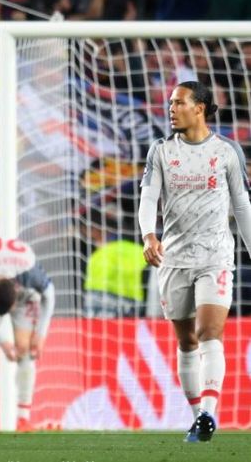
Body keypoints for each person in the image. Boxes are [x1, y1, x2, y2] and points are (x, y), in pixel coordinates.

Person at [138, 81, 251, 443]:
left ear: (199, 107)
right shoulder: (160, 151)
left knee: (209, 333)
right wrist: (148, 234)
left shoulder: (227, 152)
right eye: (170, 103)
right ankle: (196, 420)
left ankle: (208, 412)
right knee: (186, 341)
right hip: (173, 258)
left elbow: (242, 205)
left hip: (215, 255)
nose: (171, 108)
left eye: (179, 102)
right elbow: (148, 197)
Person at [0, 237, 55, 432]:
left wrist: (40, 335)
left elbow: (49, 294)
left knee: (25, 348)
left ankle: (23, 419)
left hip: (25, 293)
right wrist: (3, 341)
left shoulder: (29, 273)